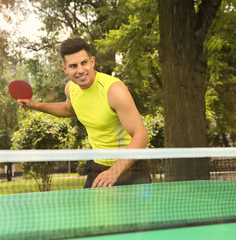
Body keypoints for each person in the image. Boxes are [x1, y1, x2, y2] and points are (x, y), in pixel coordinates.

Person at [18, 37, 151, 188]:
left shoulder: (114, 91)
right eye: (73, 66)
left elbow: (141, 136)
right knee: (89, 212)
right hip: (98, 166)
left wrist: (114, 171)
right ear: (65, 69)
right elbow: (69, 109)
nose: (80, 70)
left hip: (131, 167)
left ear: (92, 61)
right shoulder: (71, 89)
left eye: (84, 63)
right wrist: (35, 105)